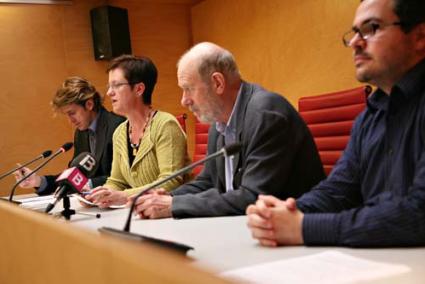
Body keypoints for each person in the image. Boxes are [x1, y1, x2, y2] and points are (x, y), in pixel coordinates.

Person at [247, 0, 425, 247]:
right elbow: (337, 191)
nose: (355, 42)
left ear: (419, 37)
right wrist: (284, 212)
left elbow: (419, 214)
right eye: (354, 33)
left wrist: (303, 228)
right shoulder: (370, 116)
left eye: (372, 28)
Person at [132, 42, 325, 219]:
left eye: (189, 88)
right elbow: (208, 181)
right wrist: (164, 197)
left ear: (217, 83)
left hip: (299, 234)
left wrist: (174, 205)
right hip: (250, 228)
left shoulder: (265, 114)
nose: (184, 100)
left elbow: (253, 197)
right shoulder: (219, 123)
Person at [85, 55, 189, 208]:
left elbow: (170, 182)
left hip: (171, 214)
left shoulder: (166, 125)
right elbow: (117, 181)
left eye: (116, 85)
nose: (109, 93)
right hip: (141, 213)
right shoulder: (120, 132)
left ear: (139, 89)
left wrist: (122, 196)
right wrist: (102, 194)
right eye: (109, 86)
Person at [14, 77, 125, 195]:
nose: (70, 121)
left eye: (72, 113)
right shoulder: (81, 133)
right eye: (67, 115)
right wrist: (38, 181)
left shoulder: (118, 126)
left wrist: (88, 184)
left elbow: (123, 178)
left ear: (89, 104)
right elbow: (73, 176)